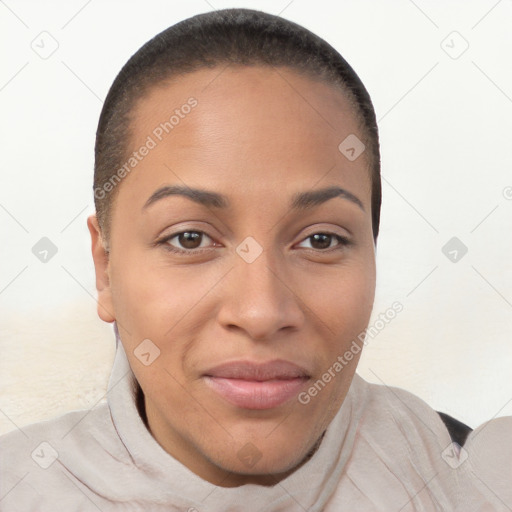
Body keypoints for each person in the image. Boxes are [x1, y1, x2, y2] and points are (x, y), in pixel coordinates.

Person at [1, 7, 510, 511]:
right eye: (190, 239)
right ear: (104, 269)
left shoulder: (471, 481)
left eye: (321, 241)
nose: (261, 312)